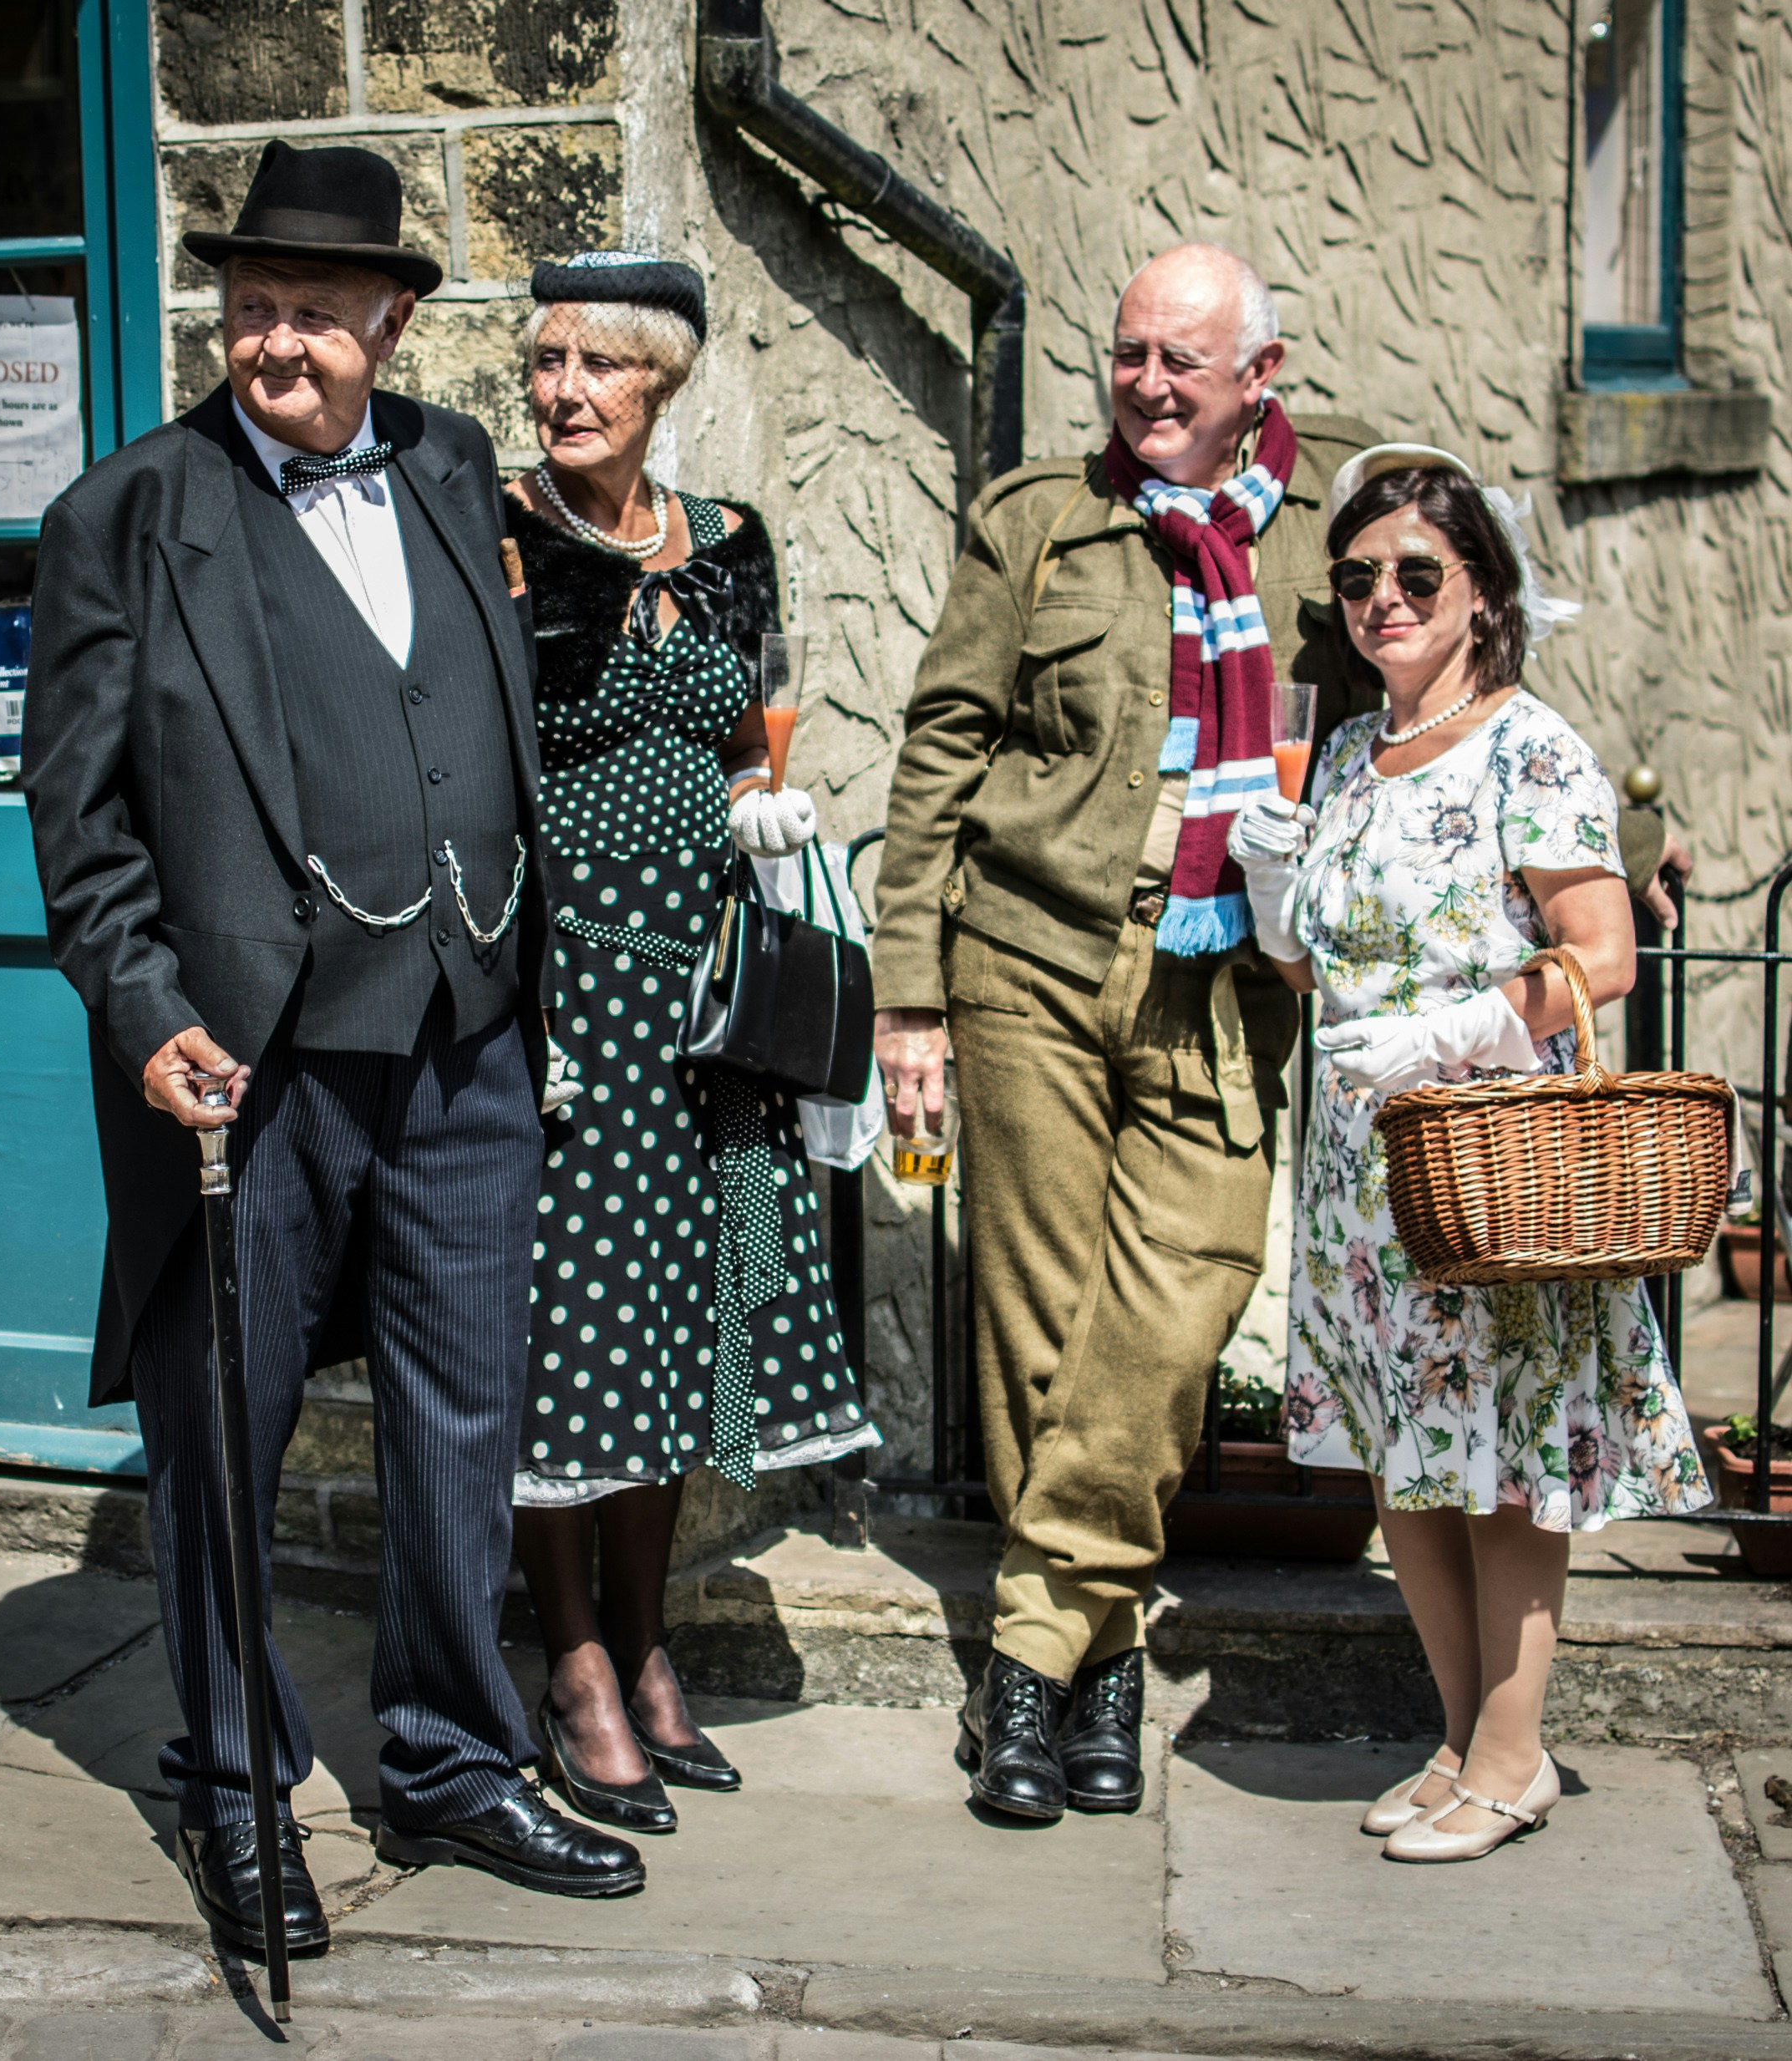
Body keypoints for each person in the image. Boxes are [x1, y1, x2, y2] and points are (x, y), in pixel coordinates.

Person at [23, 144, 647, 1956]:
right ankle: (231, 1785)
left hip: (464, 1037)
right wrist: (144, 1012)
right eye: (250, 307)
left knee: (465, 1414)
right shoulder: (127, 515)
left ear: (390, 320)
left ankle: (451, 1750)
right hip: (250, 1060)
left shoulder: (454, 465)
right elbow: (79, 820)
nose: (275, 340)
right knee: (222, 1425)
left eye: (313, 309)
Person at [869, 243, 1383, 1825]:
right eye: (1129, 353)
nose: (1148, 386)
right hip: (1028, 953)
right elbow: (945, 741)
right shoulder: (1039, 522)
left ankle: (1030, 1646)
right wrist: (908, 989)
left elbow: (1437, 684)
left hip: (1224, 979)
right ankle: (1087, 1687)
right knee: (1035, 1320)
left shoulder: (1345, 536)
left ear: (1259, 382)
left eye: (1184, 362)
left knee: (1182, 1295)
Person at [1227, 448, 1711, 1862]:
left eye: (1418, 574)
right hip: (1360, 1175)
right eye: (1360, 577)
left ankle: (1515, 1759)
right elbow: (1329, 978)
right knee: (1409, 1461)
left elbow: (1605, 955)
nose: (1385, 598)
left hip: (1485, 1163)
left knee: (1501, 1465)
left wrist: (1444, 1037)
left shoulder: (1533, 745)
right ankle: (1456, 1744)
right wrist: (1273, 894)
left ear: (1483, 596)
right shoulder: (1357, 755)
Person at [503, 251, 877, 1834]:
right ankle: (574, 1661)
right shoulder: (500, 539)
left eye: (596, 365)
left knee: (666, 1331)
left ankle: (650, 1649)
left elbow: (742, 733)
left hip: (708, 998)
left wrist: (761, 810)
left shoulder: (731, 544)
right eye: (544, 363)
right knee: (562, 1347)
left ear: (662, 383)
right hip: (566, 995)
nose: (563, 390)